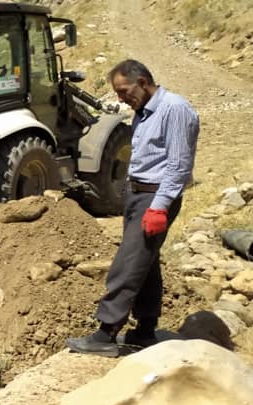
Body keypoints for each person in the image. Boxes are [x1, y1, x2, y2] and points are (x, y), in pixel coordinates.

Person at [67, 59, 200, 357]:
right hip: (138, 195)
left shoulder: (174, 109)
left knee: (127, 265)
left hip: (155, 198)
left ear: (142, 81)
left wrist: (160, 207)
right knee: (145, 263)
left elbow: (179, 165)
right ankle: (145, 330)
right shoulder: (143, 112)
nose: (120, 98)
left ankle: (106, 333)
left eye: (123, 90)